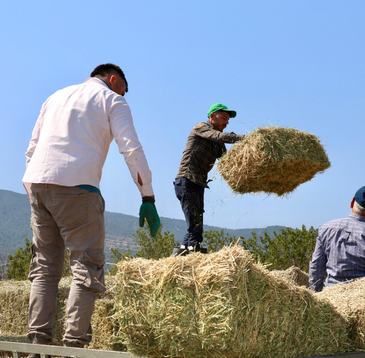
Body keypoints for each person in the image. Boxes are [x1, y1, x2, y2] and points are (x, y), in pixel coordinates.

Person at [22, 63, 160, 349]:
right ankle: (73, 345)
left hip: (37, 183)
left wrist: (33, 189)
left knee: (45, 267)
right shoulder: (112, 99)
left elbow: (32, 149)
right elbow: (131, 148)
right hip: (78, 187)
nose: (124, 95)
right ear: (112, 80)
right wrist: (147, 195)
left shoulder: (55, 96)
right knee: (86, 266)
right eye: (123, 89)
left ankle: (37, 344)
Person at [172, 103, 245, 256]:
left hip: (198, 184)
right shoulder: (201, 128)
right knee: (194, 230)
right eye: (224, 118)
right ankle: (188, 259)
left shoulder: (219, 145)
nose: (227, 122)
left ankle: (179, 260)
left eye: (228, 119)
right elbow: (219, 136)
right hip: (186, 181)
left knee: (196, 229)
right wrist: (245, 139)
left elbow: (228, 162)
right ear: (212, 117)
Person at [308, 185, 365, 292]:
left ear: (352, 202)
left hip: (329, 297)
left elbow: (316, 267)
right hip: (360, 301)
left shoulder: (326, 228)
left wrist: (316, 296)